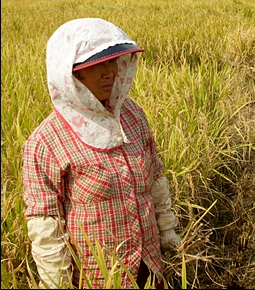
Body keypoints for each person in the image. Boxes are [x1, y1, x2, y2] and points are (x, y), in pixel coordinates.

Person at [22, 18, 182, 289]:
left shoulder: (131, 115)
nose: (109, 73)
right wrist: (56, 284)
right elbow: (46, 224)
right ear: (71, 74)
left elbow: (155, 176)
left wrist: (167, 232)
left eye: (113, 62)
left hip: (150, 265)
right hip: (99, 276)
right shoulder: (46, 142)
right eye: (96, 65)